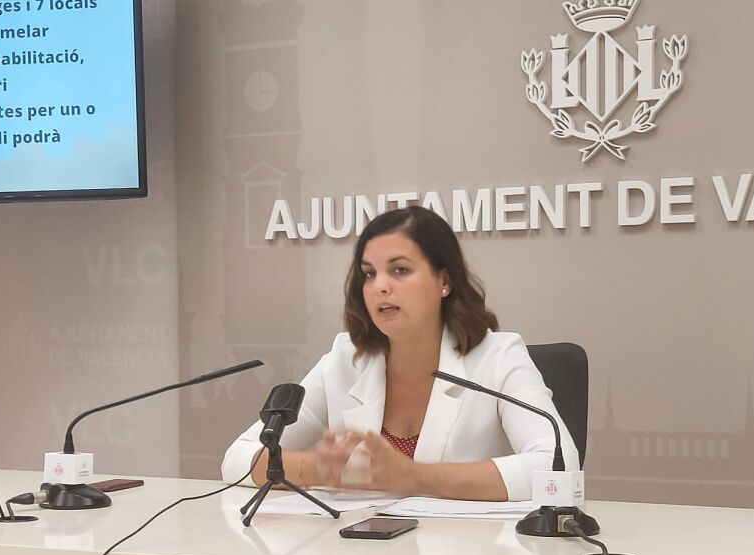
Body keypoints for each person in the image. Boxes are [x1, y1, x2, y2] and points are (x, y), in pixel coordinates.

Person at [221, 206, 579, 501]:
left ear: (444, 281)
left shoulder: (498, 357)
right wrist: (317, 469)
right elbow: (237, 459)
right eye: (369, 274)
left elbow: (557, 466)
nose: (380, 286)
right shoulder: (346, 360)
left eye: (400, 270)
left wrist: (414, 477)